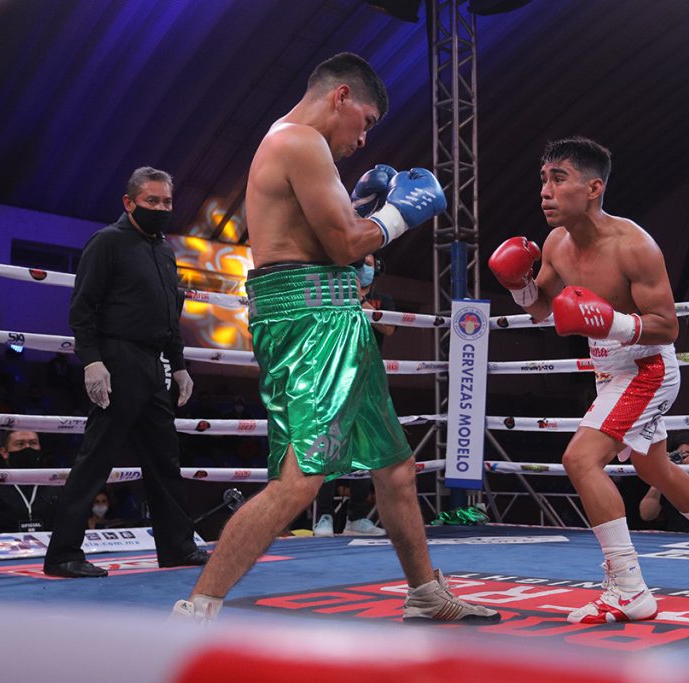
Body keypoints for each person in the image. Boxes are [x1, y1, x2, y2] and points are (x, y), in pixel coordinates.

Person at [171, 52, 498, 624]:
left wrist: (361, 243)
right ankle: (198, 607)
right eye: (366, 121)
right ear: (341, 96)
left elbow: (334, 250)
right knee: (300, 482)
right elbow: (349, 244)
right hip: (312, 325)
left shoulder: (294, 144)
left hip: (331, 315)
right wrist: (397, 216)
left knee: (395, 466)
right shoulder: (300, 142)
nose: (366, 138)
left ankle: (424, 591)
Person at [488, 137, 689, 625]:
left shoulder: (635, 246)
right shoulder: (555, 244)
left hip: (647, 367)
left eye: (558, 178)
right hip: (609, 369)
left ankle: (629, 589)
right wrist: (517, 284)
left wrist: (611, 321)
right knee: (655, 468)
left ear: (593, 188)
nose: (545, 190)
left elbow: (668, 326)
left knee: (580, 459)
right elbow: (543, 309)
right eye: (543, 179)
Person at [43, 167, 206, 578]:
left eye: (166, 201)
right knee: (96, 458)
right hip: (117, 359)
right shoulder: (108, 242)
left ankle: (177, 547)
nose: (161, 208)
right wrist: (93, 361)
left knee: (164, 459)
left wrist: (180, 366)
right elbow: (83, 308)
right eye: (152, 201)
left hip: (155, 365)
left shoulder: (165, 251)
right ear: (129, 202)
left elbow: (171, 315)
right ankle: (62, 553)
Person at [313, 254, 393, 537]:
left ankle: (356, 518)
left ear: (377, 267)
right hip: (336, 378)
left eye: (370, 261)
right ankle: (323, 516)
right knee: (332, 446)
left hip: (368, 381)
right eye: (361, 261)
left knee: (365, 448)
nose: (365, 266)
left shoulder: (384, 299)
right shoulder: (334, 295)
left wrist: (360, 301)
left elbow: (389, 328)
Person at [0, 430, 60, 535]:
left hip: (49, 549)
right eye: (20, 444)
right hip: (0, 549)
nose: (28, 448)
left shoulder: (55, 485)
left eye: (33, 443)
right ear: (4, 452)